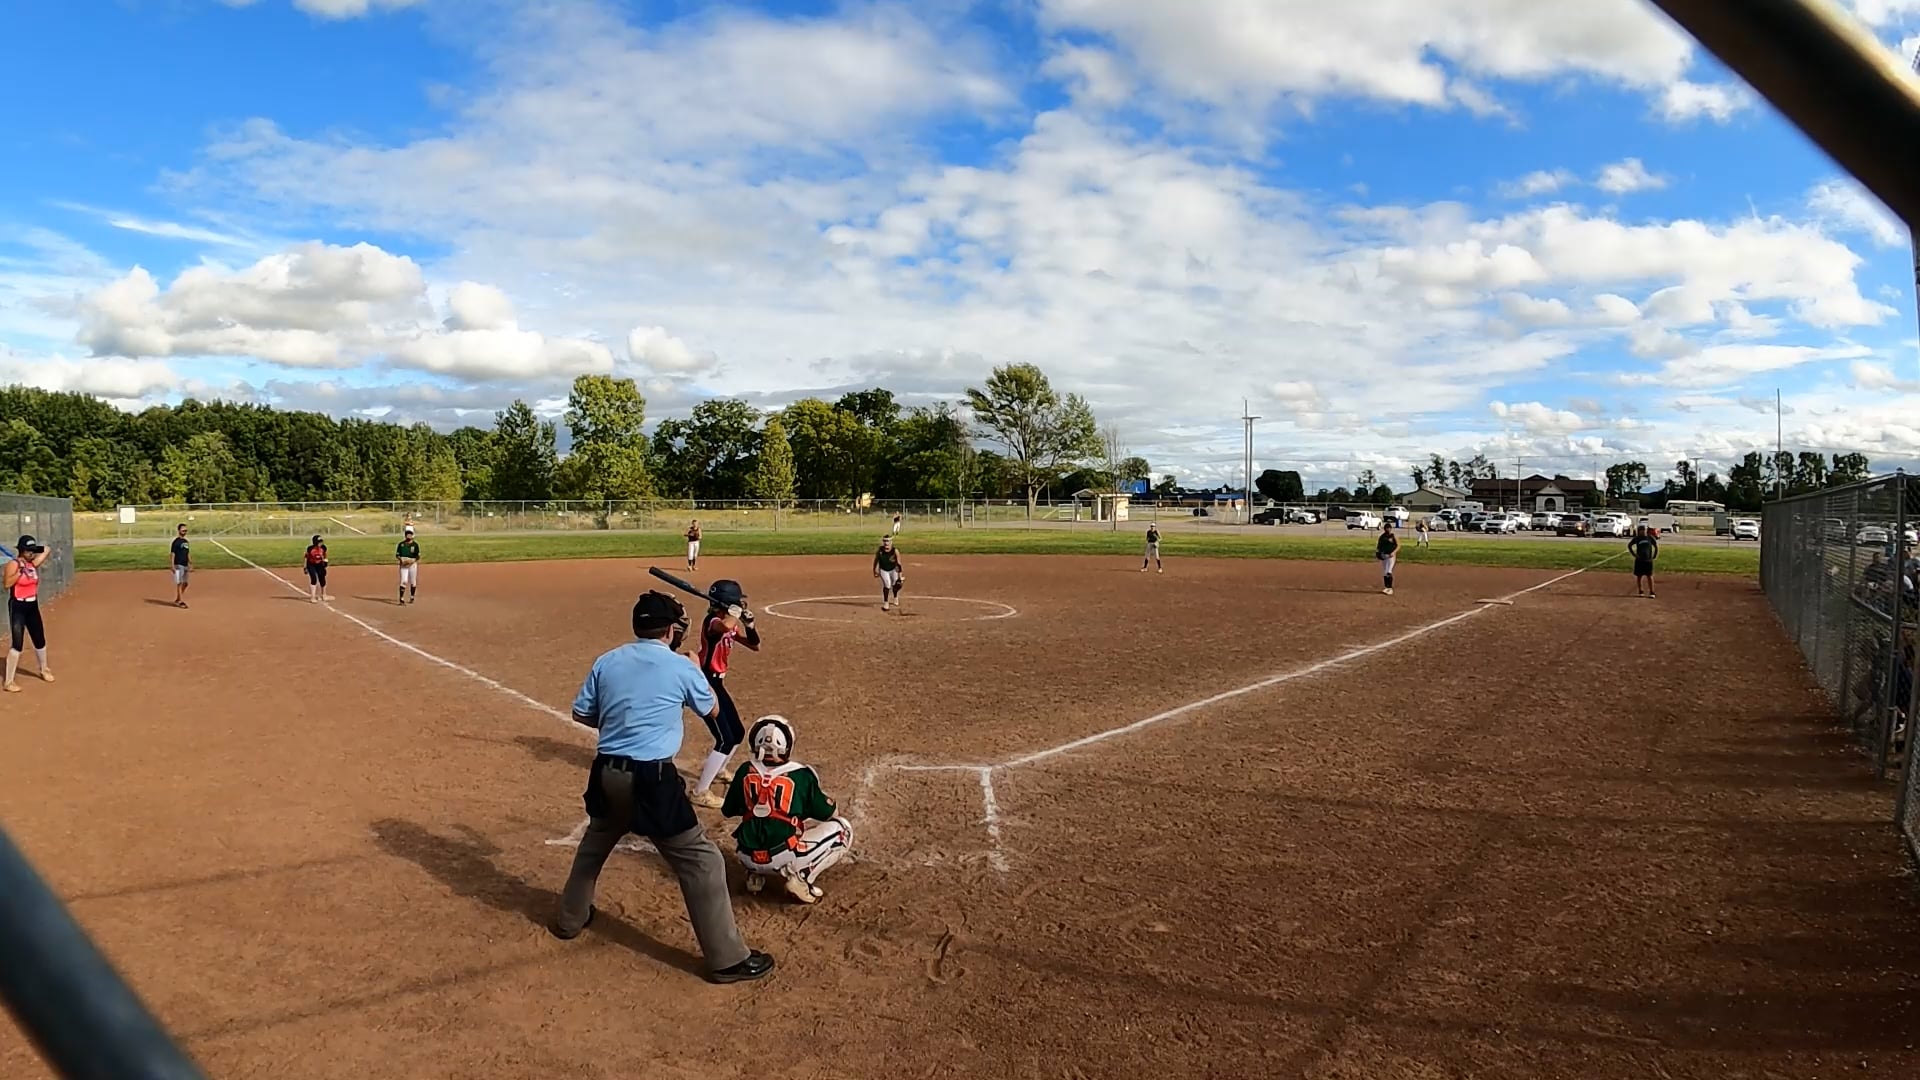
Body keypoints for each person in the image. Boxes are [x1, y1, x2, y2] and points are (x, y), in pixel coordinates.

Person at [551, 590, 775, 984]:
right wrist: (694, 668)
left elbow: (582, 713)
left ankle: (570, 919)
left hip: (606, 773)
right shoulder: (679, 666)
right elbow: (713, 709)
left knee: (594, 846)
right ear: (671, 631)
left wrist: (622, 720)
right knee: (703, 862)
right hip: (652, 780)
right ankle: (727, 960)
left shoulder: (608, 660)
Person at [720, 716, 851, 905]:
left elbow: (728, 810)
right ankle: (802, 878)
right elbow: (829, 813)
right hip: (783, 857)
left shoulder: (744, 770)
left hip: (746, 856)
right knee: (843, 830)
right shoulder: (801, 774)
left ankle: (755, 876)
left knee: (756, 823)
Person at [690, 580, 761, 809]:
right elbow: (724, 626)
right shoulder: (713, 622)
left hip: (717, 683)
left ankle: (719, 769)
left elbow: (755, 646)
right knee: (725, 739)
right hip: (705, 683)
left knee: (737, 733)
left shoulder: (729, 622)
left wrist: (750, 625)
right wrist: (735, 614)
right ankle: (700, 792)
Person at [3, 536, 52, 693]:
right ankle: (9, 682)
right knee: (17, 643)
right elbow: (6, 584)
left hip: (32, 605)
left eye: (32, 551)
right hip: (18, 606)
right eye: (28, 551)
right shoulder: (13, 564)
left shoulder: (32, 564)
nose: (32, 553)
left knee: (39, 639)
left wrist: (34, 549)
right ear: (21, 550)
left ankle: (44, 669)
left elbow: (46, 550)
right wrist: (19, 572)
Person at [873, 535, 905, 612]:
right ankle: (886, 603)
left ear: (891, 542)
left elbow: (899, 564)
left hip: (893, 570)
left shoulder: (895, 551)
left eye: (888, 541)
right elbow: (876, 561)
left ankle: (895, 597)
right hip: (883, 570)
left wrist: (900, 576)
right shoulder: (880, 551)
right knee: (887, 584)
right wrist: (874, 570)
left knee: (895, 584)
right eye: (884, 541)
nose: (886, 543)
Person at [1629, 525, 1659, 598]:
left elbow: (1655, 546)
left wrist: (1654, 555)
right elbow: (1629, 545)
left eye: (1645, 530)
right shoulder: (1637, 538)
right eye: (1642, 530)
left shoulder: (1650, 538)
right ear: (1639, 531)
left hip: (1648, 560)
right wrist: (1634, 554)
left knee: (1649, 576)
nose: (1644, 531)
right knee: (1639, 576)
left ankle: (1652, 592)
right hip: (1639, 560)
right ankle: (1641, 591)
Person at [395, 525, 420, 605]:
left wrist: (412, 561)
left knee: (413, 581)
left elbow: (418, 556)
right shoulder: (401, 544)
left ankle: (412, 597)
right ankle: (401, 599)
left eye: (410, 534)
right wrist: (401, 560)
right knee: (404, 581)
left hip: (412, 565)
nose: (408, 536)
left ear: (412, 535)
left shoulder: (415, 545)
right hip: (403, 565)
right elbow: (397, 555)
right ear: (405, 535)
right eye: (407, 534)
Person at [303, 534, 330, 604]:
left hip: (319, 564)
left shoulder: (323, 548)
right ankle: (313, 597)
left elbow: (325, 555)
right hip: (311, 564)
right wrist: (305, 567)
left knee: (322, 578)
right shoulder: (310, 549)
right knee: (314, 579)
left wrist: (325, 562)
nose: (321, 543)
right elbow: (306, 557)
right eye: (319, 542)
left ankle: (324, 595)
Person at [170, 523, 191, 608]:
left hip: (185, 564)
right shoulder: (176, 542)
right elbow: (172, 554)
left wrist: (190, 562)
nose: (184, 532)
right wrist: (172, 565)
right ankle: (180, 601)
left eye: (186, 530)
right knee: (179, 582)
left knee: (185, 583)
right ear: (179, 531)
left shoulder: (186, 542)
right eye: (183, 530)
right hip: (178, 564)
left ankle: (178, 598)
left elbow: (187, 553)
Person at [1376, 520, 1400, 596]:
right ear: (1384, 529)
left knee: (1388, 571)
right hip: (1384, 556)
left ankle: (1390, 589)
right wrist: (1378, 553)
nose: (1388, 529)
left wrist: (1394, 552)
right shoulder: (1382, 537)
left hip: (1391, 556)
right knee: (1385, 572)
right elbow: (1379, 547)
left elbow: (1398, 545)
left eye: (1389, 528)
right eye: (1387, 528)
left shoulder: (1393, 536)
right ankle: (1386, 587)